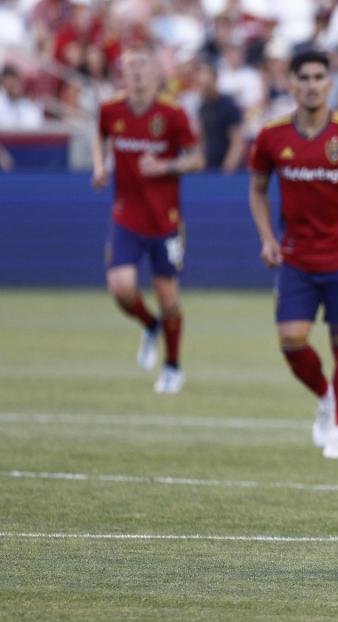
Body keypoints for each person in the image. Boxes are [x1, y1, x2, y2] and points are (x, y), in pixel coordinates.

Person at [248, 50, 338, 460]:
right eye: (302, 77)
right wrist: (268, 239)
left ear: (329, 83)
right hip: (296, 259)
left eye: (318, 77)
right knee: (291, 340)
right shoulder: (271, 136)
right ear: (291, 84)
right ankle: (325, 396)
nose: (310, 84)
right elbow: (256, 189)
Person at [92, 44, 203, 394]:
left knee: (167, 296)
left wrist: (165, 166)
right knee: (121, 288)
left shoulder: (172, 113)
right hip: (126, 215)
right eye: (130, 66)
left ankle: (172, 367)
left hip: (165, 221)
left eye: (142, 64)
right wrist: (100, 165)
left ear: (156, 72)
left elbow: (197, 158)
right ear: (122, 74)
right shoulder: (110, 109)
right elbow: (100, 135)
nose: (136, 71)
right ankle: (149, 324)